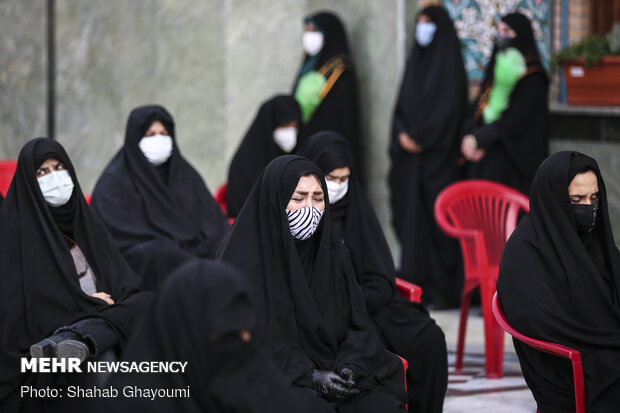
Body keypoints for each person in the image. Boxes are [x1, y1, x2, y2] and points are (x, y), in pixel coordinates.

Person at [217, 155, 407, 413]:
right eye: (298, 198)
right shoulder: (241, 261)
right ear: (275, 201)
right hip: (275, 378)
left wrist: (350, 366)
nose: (310, 208)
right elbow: (243, 346)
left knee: (380, 405)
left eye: (318, 198)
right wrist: (310, 377)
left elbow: (357, 325)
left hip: (332, 368)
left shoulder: (332, 253)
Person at [299, 131, 448, 412]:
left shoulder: (358, 210)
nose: (339, 186)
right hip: (329, 312)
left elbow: (380, 274)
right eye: (331, 179)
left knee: (428, 337)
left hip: (371, 302)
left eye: (345, 179)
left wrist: (359, 300)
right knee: (367, 347)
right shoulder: (304, 215)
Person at [0, 138, 151, 412]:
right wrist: (91, 307)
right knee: (100, 355)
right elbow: (22, 320)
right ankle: (83, 339)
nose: (54, 177)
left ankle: (81, 338)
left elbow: (126, 289)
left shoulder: (86, 225)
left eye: (59, 167)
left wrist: (97, 313)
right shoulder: (14, 235)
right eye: (42, 172)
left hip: (97, 326)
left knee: (149, 302)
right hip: (38, 361)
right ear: (28, 182)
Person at [99, 260, 312, 413]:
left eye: (247, 335)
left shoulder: (262, 384)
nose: (239, 346)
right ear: (180, 334)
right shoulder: (130, 404)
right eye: (226, 336)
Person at [497, 151, 620, 412]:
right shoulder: (526, 250)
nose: (588, 208)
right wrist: (609, 337)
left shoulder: (593, 242)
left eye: (594, 198)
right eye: (577, 200)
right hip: (565, 365)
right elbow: (538, 321)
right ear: (555, 200)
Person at [91, 105, 229, 290]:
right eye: (150, 134)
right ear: (135, 138)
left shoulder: (184, 175)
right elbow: (115, 237)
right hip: (142, 261)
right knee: (161, 255)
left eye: (164, 133)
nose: (159, 140)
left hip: (190, 253)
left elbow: (212, 222)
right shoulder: (115, 181)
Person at [389, 4, 466, 308]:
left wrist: (423, 138)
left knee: (438, 229)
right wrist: (402, 134)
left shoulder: (450, 67)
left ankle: (442, 291)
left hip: (438, 162)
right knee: (411, 223)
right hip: (411, 163)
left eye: (428, 23)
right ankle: (414, 285)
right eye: (419, 22)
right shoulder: (415, 62)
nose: (423, 28)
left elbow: (449, 111)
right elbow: (400, 107)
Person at [461, 12, 549, 196]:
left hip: (512, 162)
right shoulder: (497, 63)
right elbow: (482, 102)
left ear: (521, 34)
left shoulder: (533, 76)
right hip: (485, 154)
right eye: (499, 30)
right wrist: (470, 136)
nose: (501, 36)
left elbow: (517, 121)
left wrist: (480, 138)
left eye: (507, 31)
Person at [293, 11, 362, 181]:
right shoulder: (311, 64)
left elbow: (338, 117)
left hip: (329, 151)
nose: (309, 36)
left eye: (314, 31)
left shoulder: (341, 72)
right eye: (307, 30)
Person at [226, 95, 302, 218]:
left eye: (296, 126)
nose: (291, 132)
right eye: (285, 125)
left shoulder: (298, 158)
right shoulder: (245, 163)